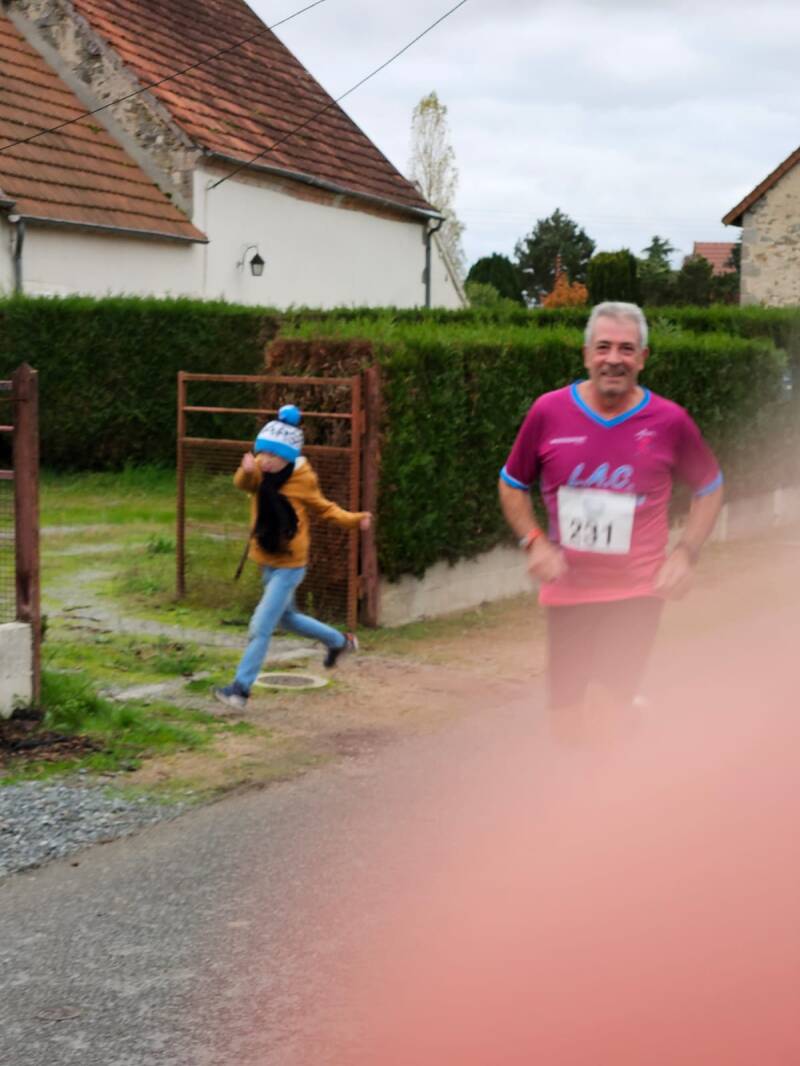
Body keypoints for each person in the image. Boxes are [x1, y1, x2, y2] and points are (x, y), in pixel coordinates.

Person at [498, 301, 723, 741]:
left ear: (643, 358)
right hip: (568, 590)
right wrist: (534, 542)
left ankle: (614, 743)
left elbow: (710, 487)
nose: (613, 359)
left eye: (626, 349)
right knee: (566, 727)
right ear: (586, 355)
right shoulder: (549, 412)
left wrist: (685, 553)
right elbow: (511, 483)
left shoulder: (669, 421)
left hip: (636, 590)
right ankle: (629, 719)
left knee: (602, 719)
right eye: (603, 347)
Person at [215, 404, 371, 711]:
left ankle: (240, 690)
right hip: (267, 559)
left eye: (274, 455)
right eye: (263, 453)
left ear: (288, 456)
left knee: (261, 625)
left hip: (290, 565)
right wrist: (247, 470)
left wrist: (355, 520)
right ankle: (340, 642)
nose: (266, 460)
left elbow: (325, 508)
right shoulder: (259, 470)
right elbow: (244, 484)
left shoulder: (302, 479)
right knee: (287, 618)